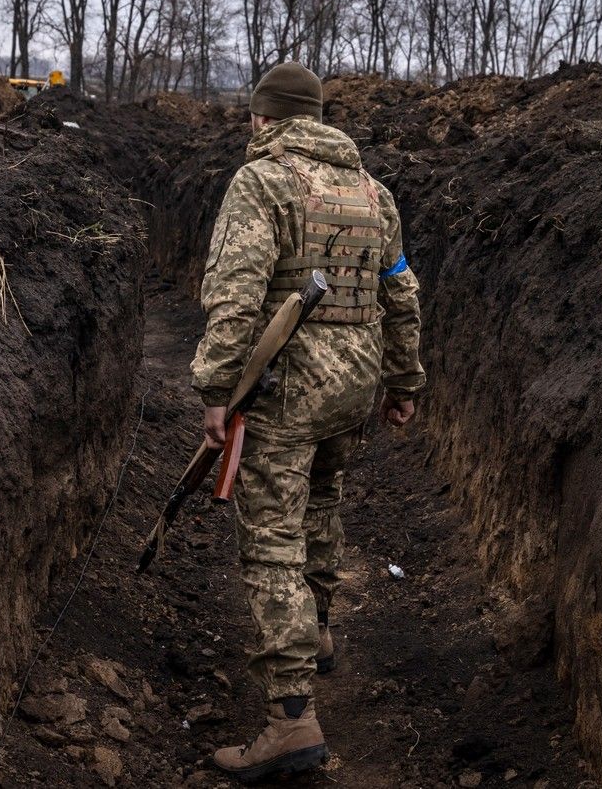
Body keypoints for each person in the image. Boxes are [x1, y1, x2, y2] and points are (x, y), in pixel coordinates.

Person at [191, 61, 426, 780]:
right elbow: (401, 289)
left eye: (253, 117)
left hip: (288, 392)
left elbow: (235, 298)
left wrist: (215, 389)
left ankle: (291, 718)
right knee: (322, 501)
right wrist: (403, 378)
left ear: (266, 117)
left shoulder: (261, 184)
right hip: (352, 387)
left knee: (269, 541)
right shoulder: (372, 191)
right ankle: (318, 629)